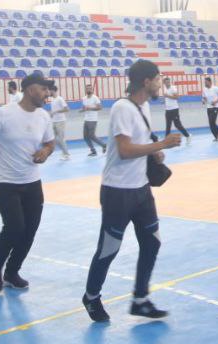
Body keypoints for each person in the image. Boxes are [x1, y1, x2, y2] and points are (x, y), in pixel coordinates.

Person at [82, 60, 183, 322]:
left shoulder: (144, 106)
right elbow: (125, 150)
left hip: (141, 189)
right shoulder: (122, 108)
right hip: (118, 191)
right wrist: (161, 144)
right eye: (158, 79)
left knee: (152, 241)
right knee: (109, 248)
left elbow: (140, 141)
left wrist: (154, 151)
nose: (160, 84)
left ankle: (140, 299)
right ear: (146, 81)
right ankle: (91, 296)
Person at [0, 73, 57, 291]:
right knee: (14, 227)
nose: (47, 93)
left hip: (32, 180)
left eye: (48, 90)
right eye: (43, 89)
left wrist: (45, 152)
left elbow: (50, 143)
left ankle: (12, 271)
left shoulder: (43, 116)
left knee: (30, 230)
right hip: (5, 181)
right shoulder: (3, 114)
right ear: (30, 90)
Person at [80, 84, 107, 156]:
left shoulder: (95, 98)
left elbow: (100, 108)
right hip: (86, 119)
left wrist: (90, 108)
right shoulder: (84, 98)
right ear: (85, 90)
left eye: (90, 88)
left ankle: (104, 145)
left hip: (93, 119)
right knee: (85, 137)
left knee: (91, 135)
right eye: (87, 88)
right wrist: (82, 110)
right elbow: (84, 108)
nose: (88, 90)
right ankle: (93, 151)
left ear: (92, 90)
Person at [48, 85, 72, 160]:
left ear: (53, 90)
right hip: (54, 121)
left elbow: (67, 109)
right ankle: (64, 151)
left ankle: (66, 155)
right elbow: (54, 111)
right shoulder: (52, 100)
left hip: (60, 121)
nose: (48, 92)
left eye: (49, 90)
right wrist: (52, 114)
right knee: (53, 139)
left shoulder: (60, 99)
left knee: (61, 139)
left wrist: (56, 111)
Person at [202, 77, 218, 141]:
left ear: (210, 82)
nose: (205, 83)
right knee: (210, 123)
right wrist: (203, 101)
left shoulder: (215, 88)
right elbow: (204, 98)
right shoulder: (204, 89)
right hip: (208, 107)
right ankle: (216, 137)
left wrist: (215, 102)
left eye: (206, 82)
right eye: (204, 82)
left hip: (215, 107)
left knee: (212, 122)